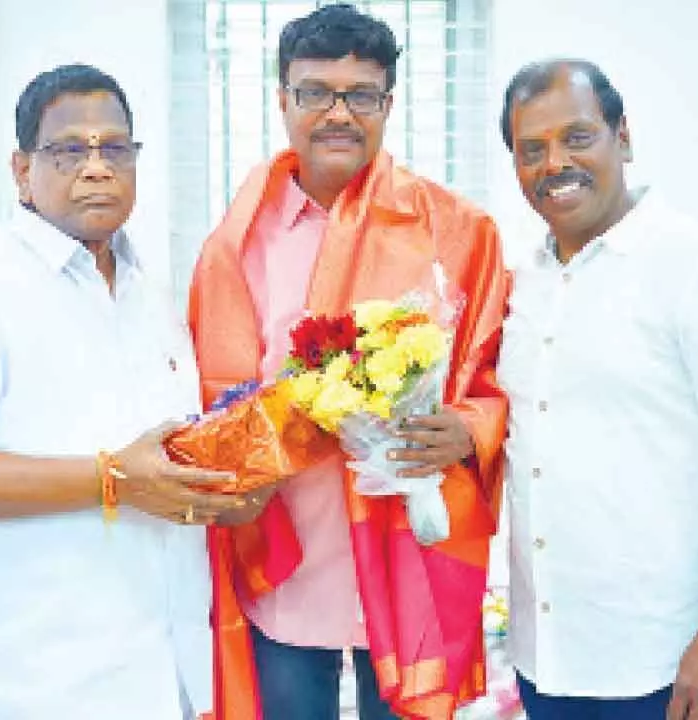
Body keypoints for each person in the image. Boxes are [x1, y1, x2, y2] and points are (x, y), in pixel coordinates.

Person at [0, 63, 246, 719]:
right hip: (20, 685)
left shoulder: (154, 297)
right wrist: (110, 479)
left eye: (115, 148)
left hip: (157, 676)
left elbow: (159, 468)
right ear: (22, 171)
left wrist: (224, 488)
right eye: (69, 150)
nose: (97, 167)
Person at [187, 5, 511, 719]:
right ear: (283, 100)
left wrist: (465, 428)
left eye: (360, 95)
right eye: (315, 93)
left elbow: (495, 379)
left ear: (388, 105)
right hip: (284, 561)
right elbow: (210, 394)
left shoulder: (456, 233)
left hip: (406, 559)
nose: (338, 114)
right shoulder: (236, 247)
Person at [495, 58, 698, 720]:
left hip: (668, 664)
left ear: (624, 137)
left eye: (577, 136)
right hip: (545, 655)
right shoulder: (521, 284)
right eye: (532, 149)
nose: (555, 162)